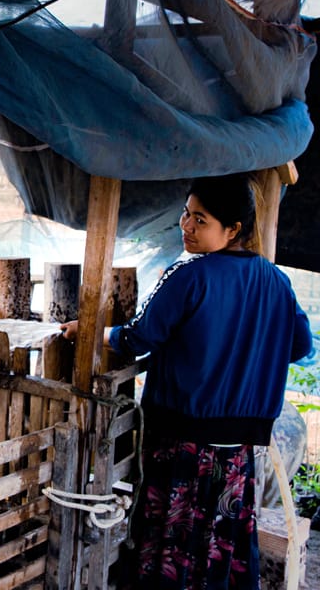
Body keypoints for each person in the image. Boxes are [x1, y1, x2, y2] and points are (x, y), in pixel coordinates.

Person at [60, 173, 313, 589]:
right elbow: (300, 345)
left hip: (184, 447)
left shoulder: (190, 276)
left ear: (233, 230)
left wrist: (90, 330)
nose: (186, 227)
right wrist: (250, 350)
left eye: (201, 220)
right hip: (238, 453)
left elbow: (138, 337)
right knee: (219, 547)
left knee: (172, 549)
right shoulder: (276, 282)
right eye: (186, 214)